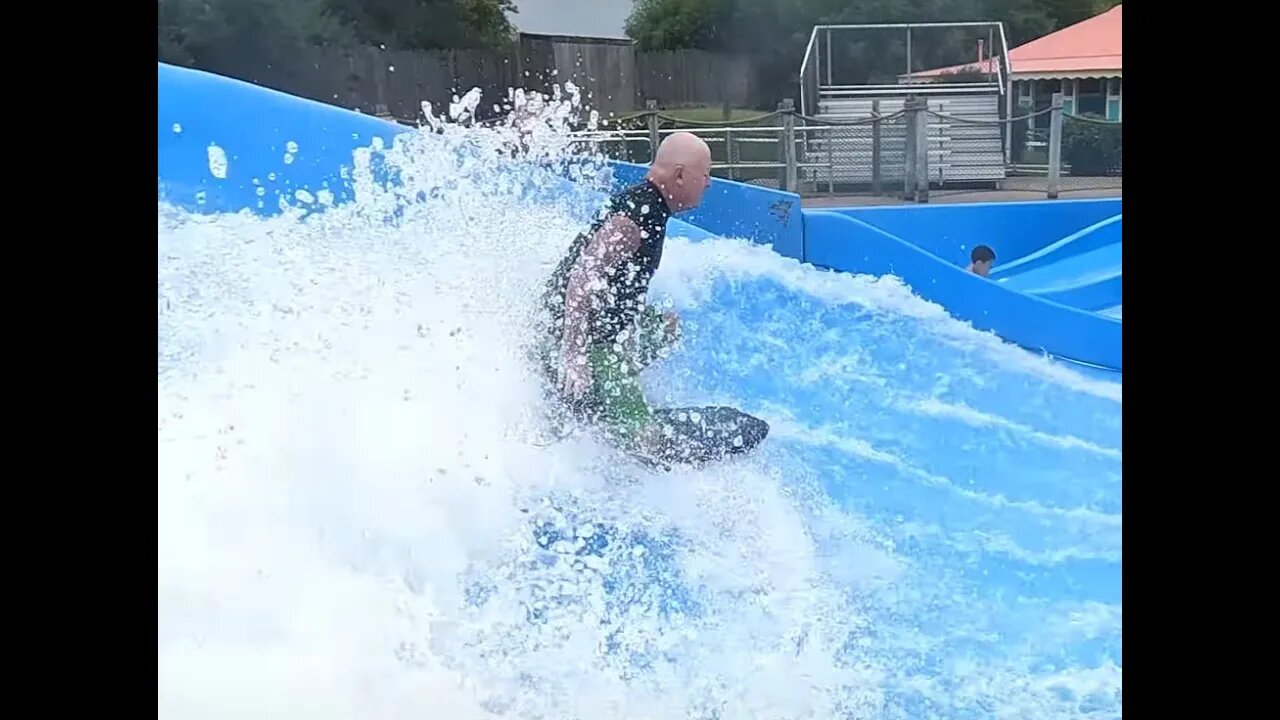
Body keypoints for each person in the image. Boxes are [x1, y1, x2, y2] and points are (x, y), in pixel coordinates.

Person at [535, 131, 714, 455]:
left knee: (666, 326)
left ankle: (597, 400)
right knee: (647, 441)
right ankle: (619, 416)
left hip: (592, 331)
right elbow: (581, 278)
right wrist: (573, 353)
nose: (709, 183)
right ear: (680, 175)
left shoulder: (651, 206)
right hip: (579, 340)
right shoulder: (634, 217)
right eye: (705, 174)